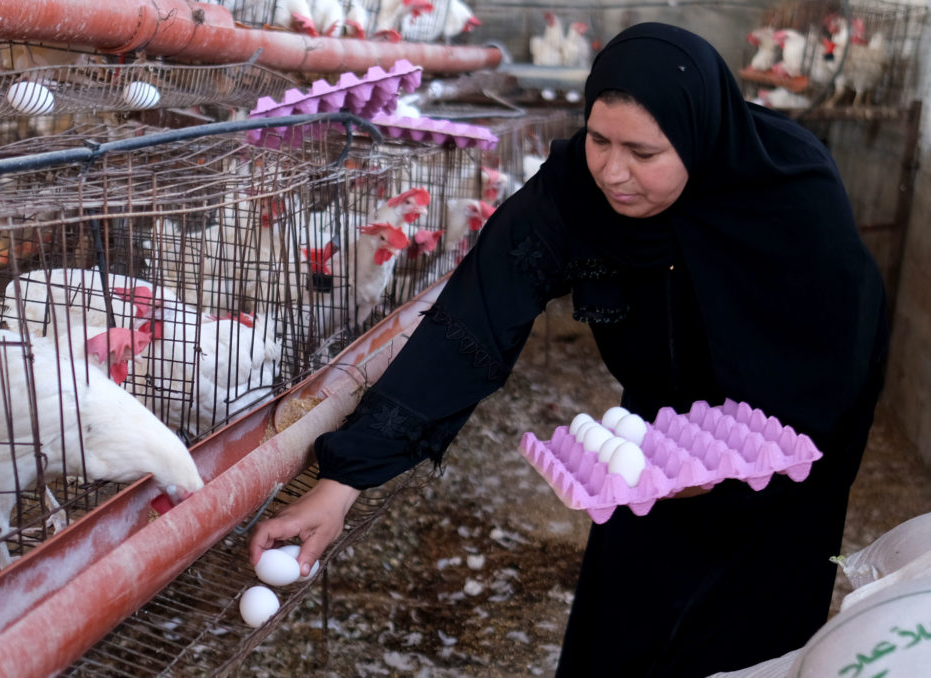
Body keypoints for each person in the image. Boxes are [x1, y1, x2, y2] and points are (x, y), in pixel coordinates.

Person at [249, 22, 889, 676]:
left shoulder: (789, 189)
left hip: (790, 425)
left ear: (697, 138)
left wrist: (737, 462)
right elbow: (474, 321)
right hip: (661, 422)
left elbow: (837, 348)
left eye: (643, 152)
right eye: (599, 139)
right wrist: (344, 478)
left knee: (749, 621)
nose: (614, 171)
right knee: (629, 605)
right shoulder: (572, 198)